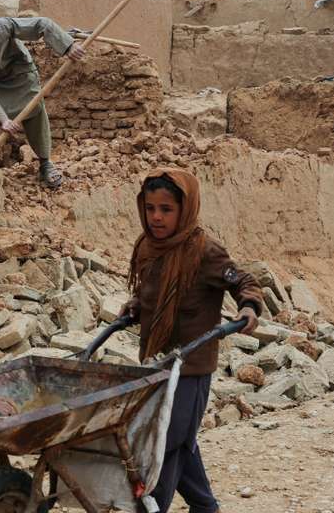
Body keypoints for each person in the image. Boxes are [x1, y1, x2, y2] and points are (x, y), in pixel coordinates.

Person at [124, 169, 264, 513]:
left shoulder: (205, 251)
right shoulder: (148, 246)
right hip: (157, 364)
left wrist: (248, 307)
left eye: (166, 209)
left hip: (190, 369)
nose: (156, 217)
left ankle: (152, 507)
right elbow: (149, 291)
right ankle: (206, 507)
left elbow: (244, 281)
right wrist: (135, 305)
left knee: (166, 444)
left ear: (184, 210)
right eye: (150, 207)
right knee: (179, 441)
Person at [0, 17, 85, 188]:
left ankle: (45, 163)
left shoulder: (0, 28)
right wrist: (3, 119)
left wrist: (68, 46)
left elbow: (41, 24)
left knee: (34, 108)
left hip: (19, 74)